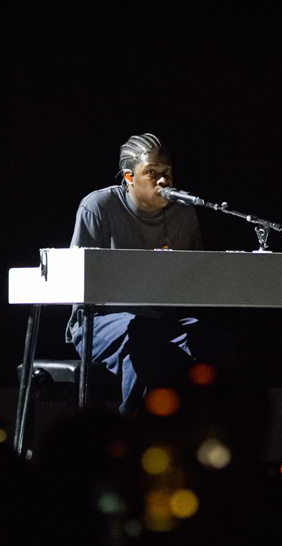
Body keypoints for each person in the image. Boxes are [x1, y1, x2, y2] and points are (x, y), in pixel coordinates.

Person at [65, 133, 233, 416]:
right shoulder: (98, 206)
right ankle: (133, 429)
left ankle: (206, 432)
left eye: (167, 172)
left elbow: (197, 275)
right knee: (147, 340)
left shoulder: (184, 214)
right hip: (99, 321)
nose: (163, 180)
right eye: (152, 173)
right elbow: (75, 276)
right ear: (129, 176)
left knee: (215, 343)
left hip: (163, 319)